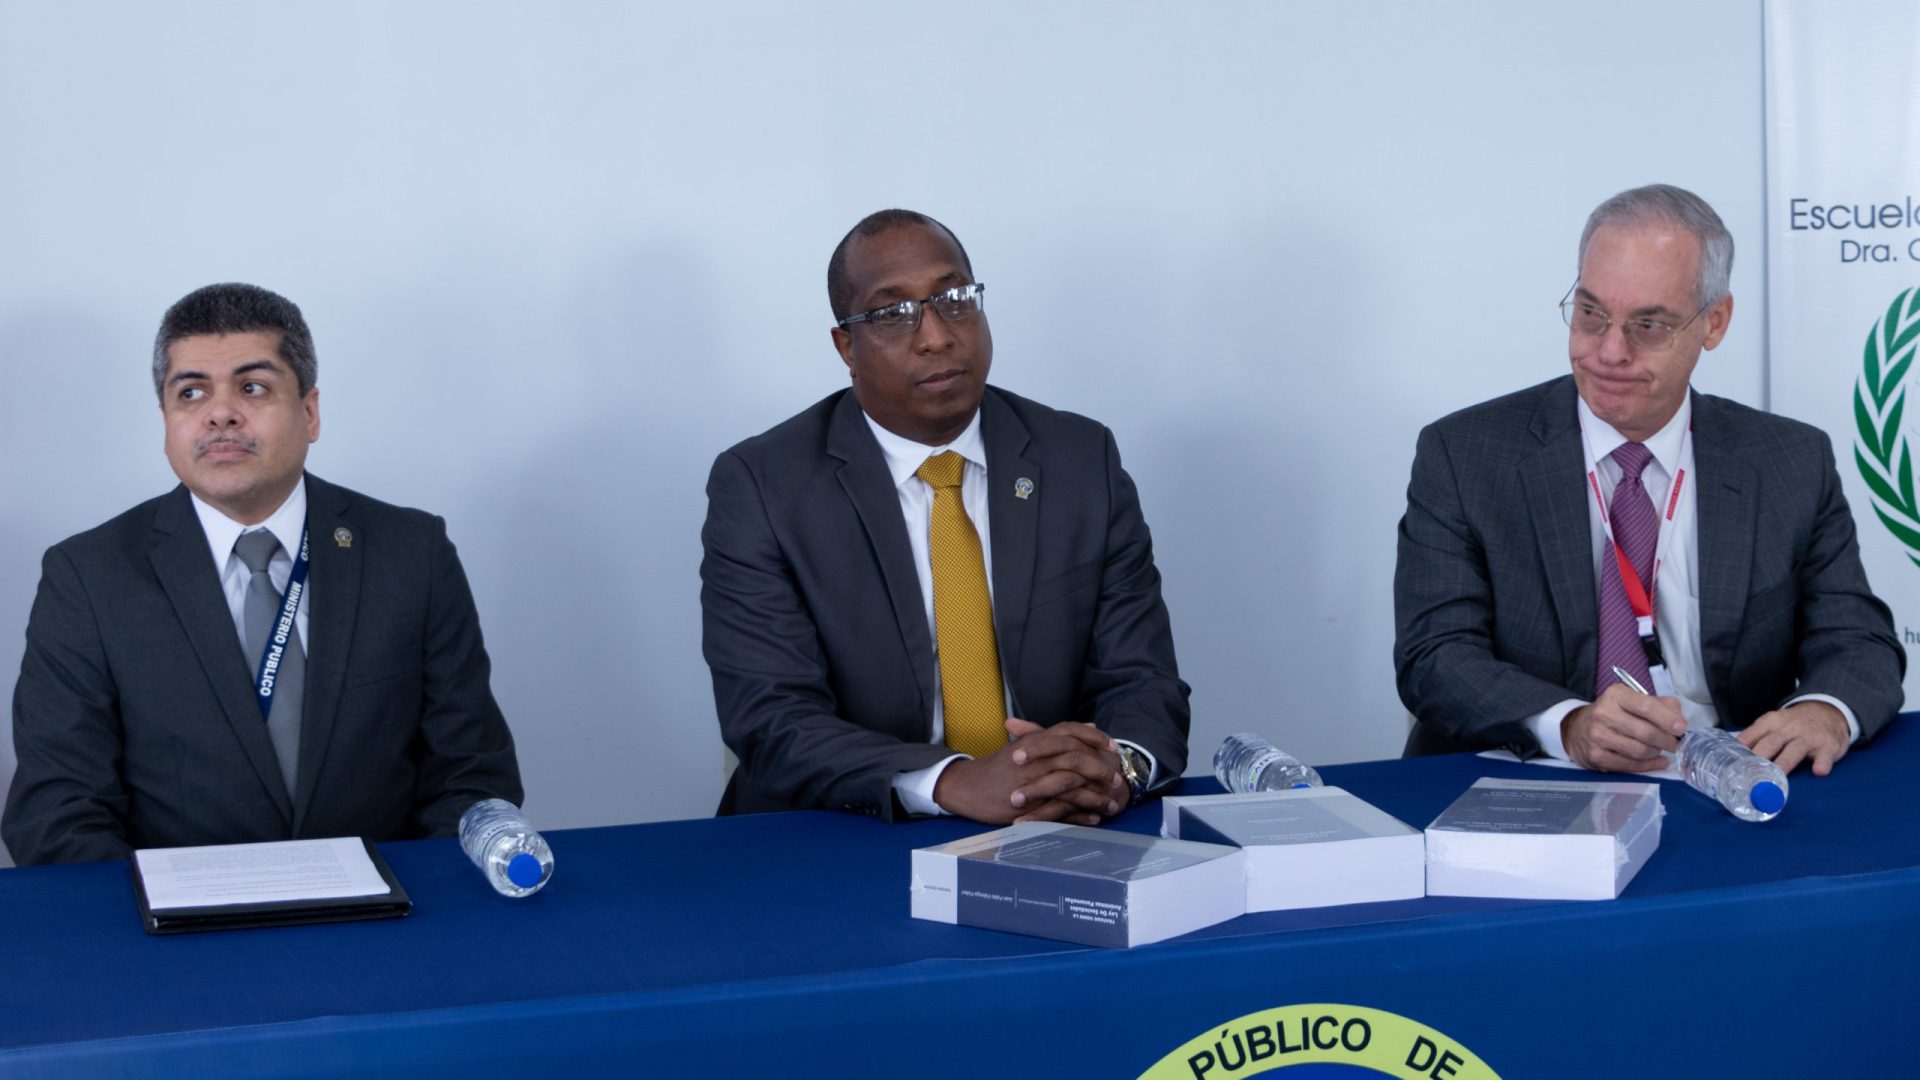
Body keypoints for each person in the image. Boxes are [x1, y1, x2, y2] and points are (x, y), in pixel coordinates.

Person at [4, 283, 523, 865]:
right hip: (175, 919)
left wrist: (418, 902)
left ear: (309, 412)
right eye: (191, 392)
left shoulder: (412, 553)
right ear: (167, 420)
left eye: (252, 387)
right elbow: (58, 810)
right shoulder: (89, 577)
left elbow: (470, 775)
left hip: (392, 909)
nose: (220, 413)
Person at [1395, 183, 1903, 776]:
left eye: (1649, 325)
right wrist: (1568, 724)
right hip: (1530, 773)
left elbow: (1857, 641)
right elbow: (1435, 656)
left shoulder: (1789, 461)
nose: (1610, 351)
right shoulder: (1465, 455)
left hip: (1725, 779)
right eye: (1591, 314)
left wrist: (1824, 711)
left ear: (1715, 322)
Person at [701, 210, 1189, 824]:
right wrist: (950, 782)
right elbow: (770, 716)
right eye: (892, 313)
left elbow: (1141, 676)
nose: (935, 336)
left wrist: (1118, 769)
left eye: (954, 300)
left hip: (1059, 821)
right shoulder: (764, 486)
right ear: (847, 347)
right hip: (844, 828)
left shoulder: (1079, 459)